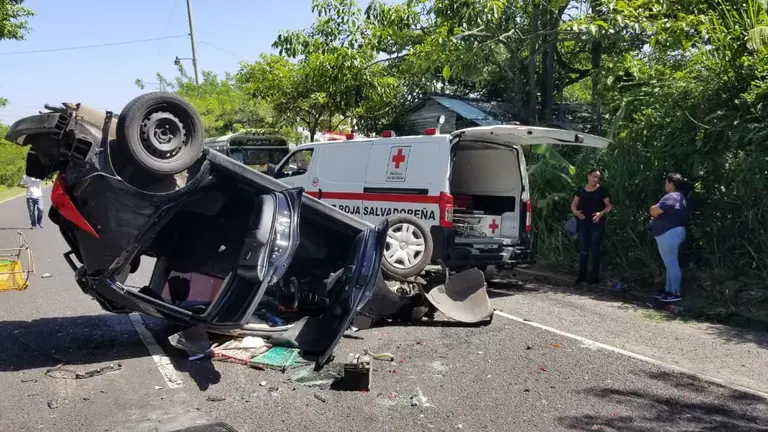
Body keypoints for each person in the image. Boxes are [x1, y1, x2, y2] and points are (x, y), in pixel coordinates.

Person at [650, 173, 690, 302]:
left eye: (667, 182)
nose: (665, 185)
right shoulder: (680, 197)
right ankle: (669, 290)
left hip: (669, 233)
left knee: (671, 263)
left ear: (672, 183)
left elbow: (655, 211)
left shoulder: (672, 196)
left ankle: (675, 292)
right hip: (674, 232)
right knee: (669, 263)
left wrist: (652, 209)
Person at [570, 168, 614, 284]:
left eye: (598, 178)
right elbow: (574, 203)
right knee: (583, 249)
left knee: (595, 249)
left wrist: (601, 213)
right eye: (594, 176)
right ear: (588, 176)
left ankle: (595, 277)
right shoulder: (580, 190)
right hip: (583, 222)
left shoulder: (602, 191)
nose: (596, 179)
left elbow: (609, 206)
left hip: (597, 223)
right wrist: (575, 212)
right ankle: (582, 276)